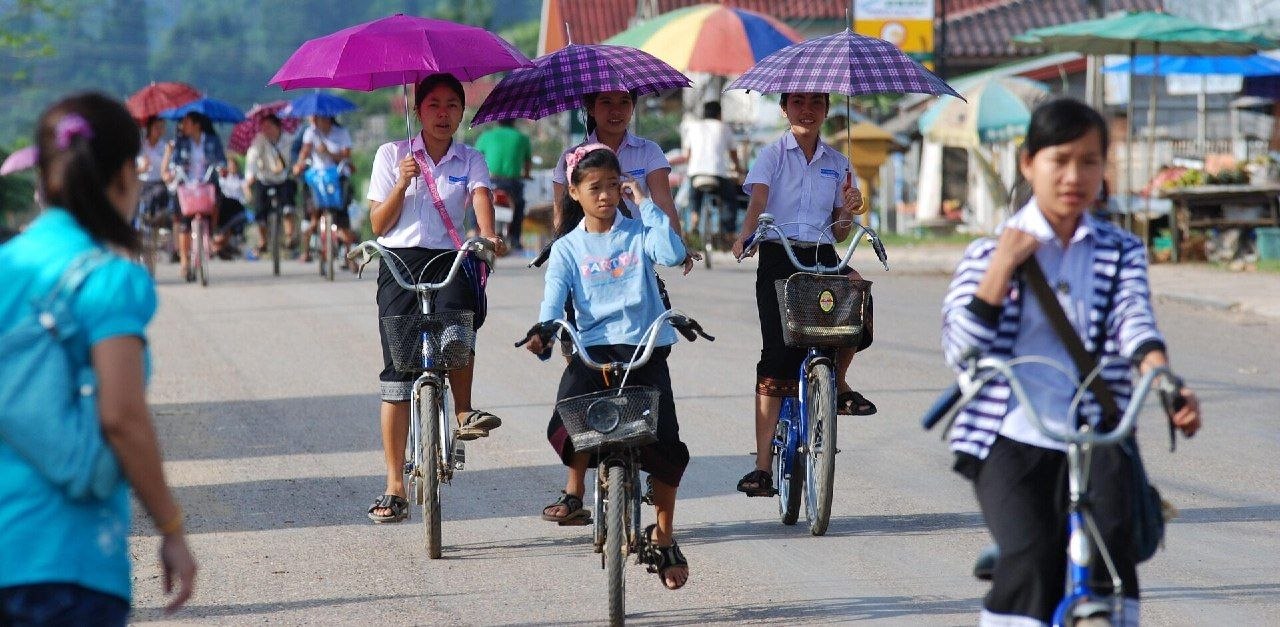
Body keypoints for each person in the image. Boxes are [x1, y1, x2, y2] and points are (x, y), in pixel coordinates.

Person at [939, 98, 1203, 626]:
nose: (1074, 176)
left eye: (1088, 161)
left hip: (1098, 431)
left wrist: (1163, 378)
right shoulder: (988, 251)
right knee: (1031, 557)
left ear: (1104, 168)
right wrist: (1003, 266)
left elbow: (1135, 321)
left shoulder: (1120, 251)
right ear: (1028, 163)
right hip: (1010, 432)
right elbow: (961, 345)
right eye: (1059, 160)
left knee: (1113, 554)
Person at [0, 92, 197, 623]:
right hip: (67, 564)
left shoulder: (6, 265)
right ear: (124, 175)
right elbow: (122, 417)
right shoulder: (108, 281)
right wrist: (171, 527)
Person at [523, 144, 690, 590]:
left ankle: (664, 536)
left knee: (667, 445)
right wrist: (544, 330)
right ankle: (577, 489)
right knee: (567, 417)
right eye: (594, 188)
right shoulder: (567, 248)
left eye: (613, 186)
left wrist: (647, 204)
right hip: (592, 351)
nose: (605, 196)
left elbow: (672, 254)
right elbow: (553, 297)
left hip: (644, 348)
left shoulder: (639, 232)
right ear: (575, 193)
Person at [364, 73, 509, 523]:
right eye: (433, 105)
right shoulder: (392, 155)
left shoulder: (472, 158)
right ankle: (394, 485)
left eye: (452, 105)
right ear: (418, 110)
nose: (443, 114)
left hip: (449, 255)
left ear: (461, 112)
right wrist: (401, 184)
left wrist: (488, 236)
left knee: (456, 329)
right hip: (399, 261)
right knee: (398, 372)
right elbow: (378, 224)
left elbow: (480, 199)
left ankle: (463, 412)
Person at [731, 92, 872, 498]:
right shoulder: (771, 156)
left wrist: (848, 208)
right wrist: (747, 237)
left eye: (815, 103)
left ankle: (839, 383)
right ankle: (762, 467)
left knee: (857, 293)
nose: (806, 110)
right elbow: (758, 202)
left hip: (822, 254)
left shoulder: (839, 163)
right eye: (797, 103)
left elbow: (840, 232)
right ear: (784, 108)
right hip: (780, 253)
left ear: (826, 109)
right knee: (777, 355)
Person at [163, 110, 226, 281]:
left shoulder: (212, 140)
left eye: (186, 122)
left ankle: (213, 232)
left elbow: (221, 160)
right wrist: (173, 170)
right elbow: (175, 162)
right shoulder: (180, 142)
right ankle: (184, 260)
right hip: (187, 185)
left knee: (217, 199)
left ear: (197, 124)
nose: (183, 126)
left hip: (206, 184)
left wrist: (222, 168)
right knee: (184, 223)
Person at [293, 114, 354, 264]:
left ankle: (350, 257)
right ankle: (306, 249)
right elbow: (305, 151)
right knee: (312, 213)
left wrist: (328, 152)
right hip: (317, 178)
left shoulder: (341, 133)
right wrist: (299, 164)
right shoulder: (311, 132)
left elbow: (346, 155)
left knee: (343, 218)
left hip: (336, 177)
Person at [681, 101, 741, 242]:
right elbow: (733, 153)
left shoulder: (693, 127)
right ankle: (729, 232)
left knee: (693, 197)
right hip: (718, 172)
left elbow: (687, 156)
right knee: (729, 200)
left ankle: (694, 217)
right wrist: (738, 168)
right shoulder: (724, 128)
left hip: (696, 172)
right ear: (719, 113)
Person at [243, 113, 298, 256]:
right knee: (259, 210)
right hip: (264, 178)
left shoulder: (288, 139)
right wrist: (250, 177)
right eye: (263, 127)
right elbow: (252, 157)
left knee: (288, 205)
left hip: (283, 178)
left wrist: (291, 167)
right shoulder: (259, 140)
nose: (266, 130)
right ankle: (263, 240)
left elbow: (293, 157)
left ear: (277, 126)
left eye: (268, 126)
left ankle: (289, 235)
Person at [474, 119, 532, 252]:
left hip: (490, 181)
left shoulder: (486, 136)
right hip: (512, 182)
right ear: (514, 121)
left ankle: (472, 229)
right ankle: (515, 238)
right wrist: (527, 174)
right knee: (519, 204)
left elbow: (476, 158)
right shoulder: (522, 138)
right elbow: (527, 161)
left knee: (476, 199)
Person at [135, 116, 170, 228]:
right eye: (156, 127)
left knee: (159, 193)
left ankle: (153, 223)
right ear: (150, 128)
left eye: (162, 127)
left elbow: (167, 170)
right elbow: (132, 170)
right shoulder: (140, 146)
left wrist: (168, 155)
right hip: (142, 182)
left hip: (158, 182)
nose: (159, 130)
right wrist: (142, 168)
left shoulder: (165, 147)